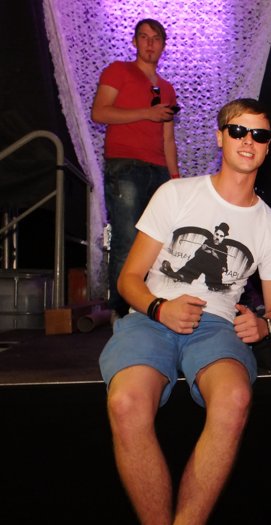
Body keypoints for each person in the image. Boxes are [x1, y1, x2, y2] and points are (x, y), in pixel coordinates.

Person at [98, 98, 271, 525]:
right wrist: (159, 307)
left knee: (235, 399)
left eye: (259, 135)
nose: (248, 141)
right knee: (126, 402)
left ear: (268, 146)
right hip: (152, 316)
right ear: (220, 137)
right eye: (238, 131)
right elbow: (128, 279)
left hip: (216, 326)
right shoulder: (177, 193)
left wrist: (264, 324)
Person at [92, 18, 180, 318]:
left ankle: (147, 308)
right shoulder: (118, 70)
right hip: (126, 165)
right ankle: (121, 313)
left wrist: (174, 178)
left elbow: (168, 138)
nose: (150, 43)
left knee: (158, 243)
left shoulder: (167, 88)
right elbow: (99, 112)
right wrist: (147, 112)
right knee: (127, 238)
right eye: (144, 37)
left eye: (156, 38)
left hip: (159, 170)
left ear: (163, 45)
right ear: (134, 42)